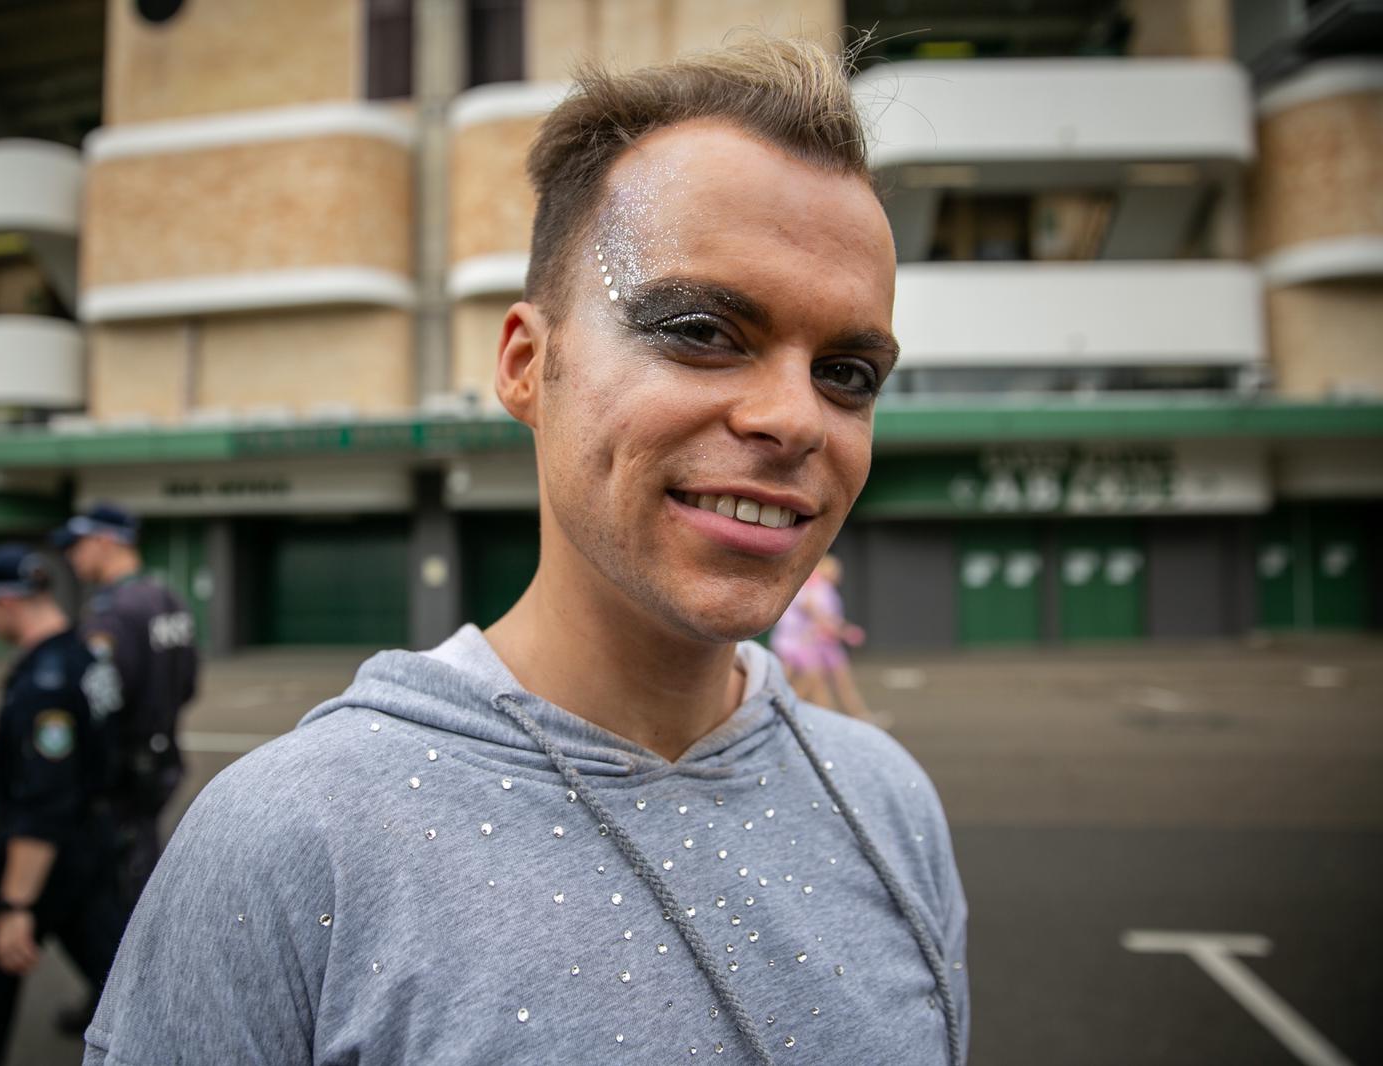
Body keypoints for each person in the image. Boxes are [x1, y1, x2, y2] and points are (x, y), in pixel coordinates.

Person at [86, 35, 968, 1065]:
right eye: (699, 329)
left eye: (848, 372)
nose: (795, 419)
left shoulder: (891, 804)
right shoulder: (287, 841)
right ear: (524, 365)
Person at [0, 546, 122, 1065]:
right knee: (126, 978)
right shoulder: (82, 655)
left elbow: (45, 801)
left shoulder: (44, 681)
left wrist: (15, 907)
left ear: (7, 601)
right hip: (94, 844)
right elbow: (70, 756)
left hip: (49, 852)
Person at [50, 503, 198, 1033]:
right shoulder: (167, 599)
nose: (71, 557)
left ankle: (135, 1015)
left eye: (77, 545)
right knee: (136, 879)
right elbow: (188, 684)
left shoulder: (112, 614)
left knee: (115, 896)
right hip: (160, 762)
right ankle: (113, 999)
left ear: (106, 543)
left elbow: (98, 703)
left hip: (121, 777)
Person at [771, 554, 878, 723]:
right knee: (807, 683)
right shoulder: (813, 587)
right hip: (801, 642)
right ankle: (783, 717)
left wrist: (840, 630)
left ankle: (830, 719)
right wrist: (844, 632)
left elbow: (823, 616)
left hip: (809, 641)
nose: (837, 573)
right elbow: (817, 615)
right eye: (833, 569)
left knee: (819, 682)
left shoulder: (821, 588)